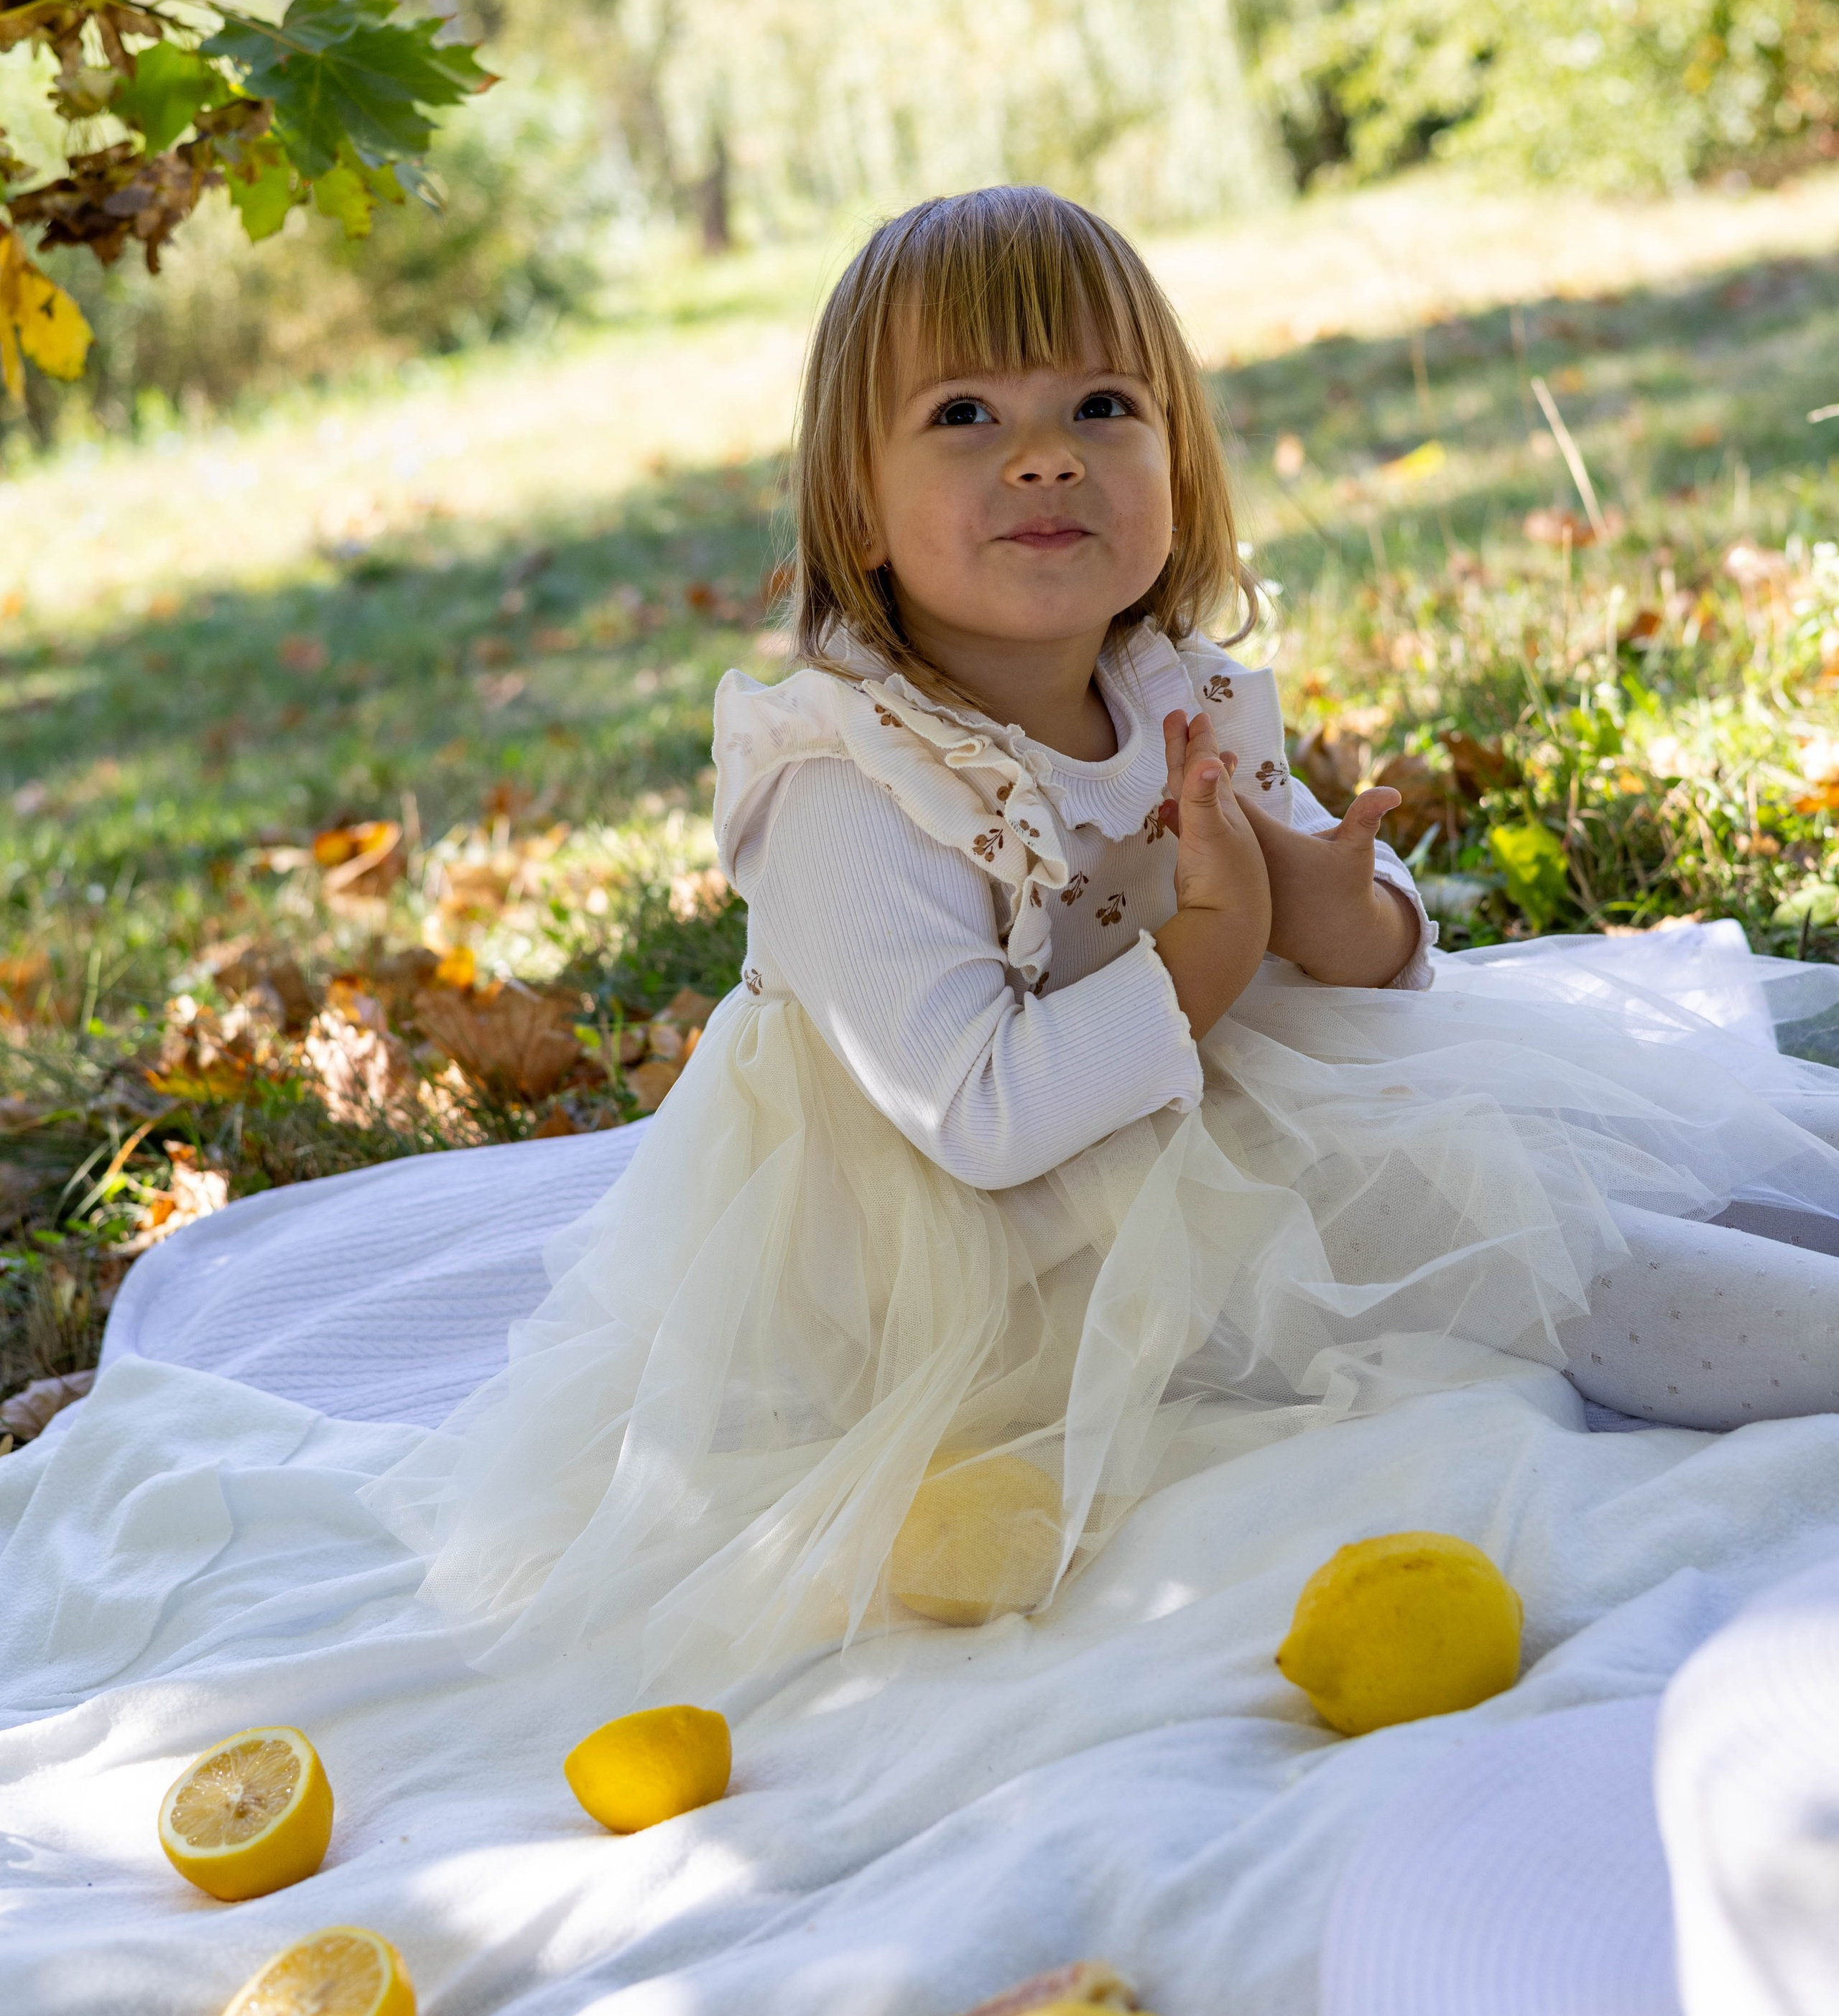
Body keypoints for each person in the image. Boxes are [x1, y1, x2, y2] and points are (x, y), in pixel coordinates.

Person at [369, 187, 1839, 1700]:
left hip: (1205, 1108)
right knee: (1517, 1253)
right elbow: (979, 1117)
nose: (1045, 454)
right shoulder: (847, 783)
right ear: (856, 510)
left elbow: (1359, 946)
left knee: (1585, 1154)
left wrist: (1341, 911)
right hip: (992, 1253)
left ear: (1176, 463)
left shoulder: (1165, 684)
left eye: (1101, 405)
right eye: (963, 414)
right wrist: (1218, 942)